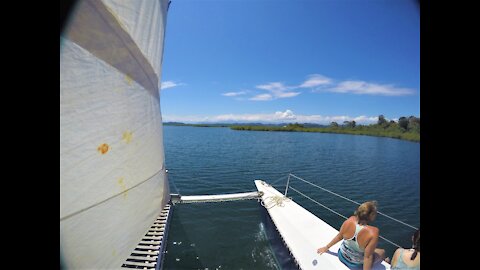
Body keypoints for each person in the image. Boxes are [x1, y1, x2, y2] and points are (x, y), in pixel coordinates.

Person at [317, 201, 388, 270]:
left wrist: (326, 247)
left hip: (342, 256)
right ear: (371, 215)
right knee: (382, 252)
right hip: (355, 265)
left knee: (370, 249)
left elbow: (339, 236)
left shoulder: (350, 220)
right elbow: (368, 257)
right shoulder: (373, 232)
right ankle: (386, 261)